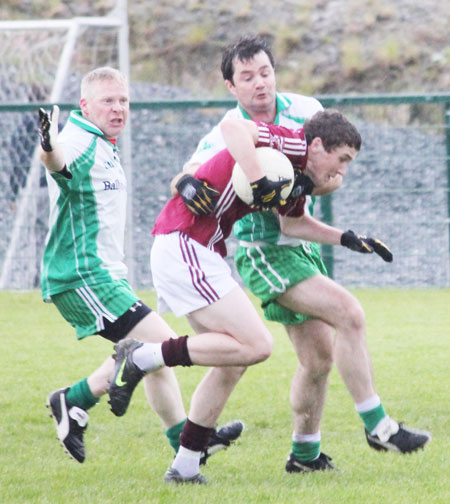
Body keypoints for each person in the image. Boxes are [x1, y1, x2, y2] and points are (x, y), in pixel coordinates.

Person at [177, 35, 431, 473]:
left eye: (265, 72)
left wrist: (321, 192)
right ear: (231, 87)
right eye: (247, 77)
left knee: (318, 359)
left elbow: (335, 168)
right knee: (349, 313)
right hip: (264, 251)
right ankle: (378, 426)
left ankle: (305, 456)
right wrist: (184, 183)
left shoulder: (305, 112)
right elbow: (188, 173)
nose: (260, 83)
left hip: (301, 243)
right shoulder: (226, 129)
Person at [110, 108, 395, 484]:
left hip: (199, 249)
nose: (341, 170)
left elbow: (293, 223)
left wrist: (346, 238)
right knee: (258, 345)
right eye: (341, 159)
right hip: (186, 242)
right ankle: (141, 355)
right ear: (318, 145)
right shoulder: (291, 141)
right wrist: (258, 178)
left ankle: (184, 467)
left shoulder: (295, 179)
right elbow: (232, 127)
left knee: (231, 360)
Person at [38, 66, 243, 466]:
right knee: (156, 349)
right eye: (107, 101)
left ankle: (184, 445)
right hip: (81, 275)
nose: (118, 109)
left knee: (154, 358)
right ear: (85, 106)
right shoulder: (78, 140)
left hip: (102, 275)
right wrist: (48, 144)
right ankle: (74, 399)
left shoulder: (103, 141)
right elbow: (57, 161)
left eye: (123, 101)